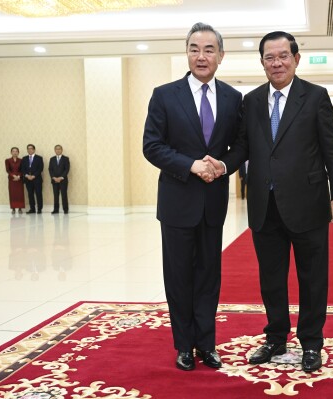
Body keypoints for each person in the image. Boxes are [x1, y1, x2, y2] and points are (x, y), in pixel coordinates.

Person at [208, 31, 333, 373]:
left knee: (312, 277)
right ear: (262, 63)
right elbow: (243, 147)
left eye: (283, 56)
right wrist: (223, 164)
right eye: (269, 58)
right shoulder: (252, 101)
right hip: (264, 204)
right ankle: (275, 338)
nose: (277, 63)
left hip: (309, 203)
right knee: (271, 277)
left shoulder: (315, 97)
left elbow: (332, 147)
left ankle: (312, 343)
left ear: (296, 59)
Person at [142, 22, 242, 371]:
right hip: (176, 201)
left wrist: (224, 164)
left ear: (221, 55)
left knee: (208, 277)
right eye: (195, 49)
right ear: (186, 53)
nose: (201, 56)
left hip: (213, 204)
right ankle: (184, 346)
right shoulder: (164, 95)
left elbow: (240, 146)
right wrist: (191, 166)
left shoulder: (232, 98)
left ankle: (207, 344)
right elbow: (152, 146)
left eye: (209, 49)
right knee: (179, 276)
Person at [21, 144, 44, 214]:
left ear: (34, 149)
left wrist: (34, 176)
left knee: (38, 194)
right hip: (28, 180)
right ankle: (32, 209)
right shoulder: (24, 158)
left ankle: (39, 209)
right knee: (30, 194)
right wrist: (27, 176)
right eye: (28, 149)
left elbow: (40, 168)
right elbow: (22, 169)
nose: (29, 150)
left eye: (31, 148)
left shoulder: (39, 158)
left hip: (37, 179)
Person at [48, 144, 70, 214]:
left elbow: (67, 169)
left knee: (64, 195)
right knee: (55, 195)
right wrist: (53, 177)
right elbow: (50, 169)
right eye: (56, 149)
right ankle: (56, 209)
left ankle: (65, 209)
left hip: (63, 180)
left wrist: (61, 177)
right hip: (54, 180)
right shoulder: (52, 159)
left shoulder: (66, 159)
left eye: (59, 149)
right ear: (55, 150)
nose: (58, 150)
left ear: (62, 150)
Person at [5, 147, 25, 214]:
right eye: (13, 151)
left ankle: (20, 208)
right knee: (12, 194)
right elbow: (8, 170)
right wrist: (14, 176)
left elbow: (22, 170)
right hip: (12, 179)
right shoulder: (7, 160)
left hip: (19, 179)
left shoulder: (21, 160)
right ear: (11, 152)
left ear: (18, 152)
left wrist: (19, 176)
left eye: (16, 151)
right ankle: (13, 208)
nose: (15, 152)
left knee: (20, 194)